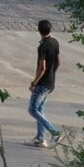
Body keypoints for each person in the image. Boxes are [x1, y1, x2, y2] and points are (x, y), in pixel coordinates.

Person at [28, 18, 62, 148]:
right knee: (40, 109)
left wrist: (34, 83)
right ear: (50, 29)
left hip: (42, 84)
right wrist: (52, 74)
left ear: (39, 31)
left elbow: (42, 67)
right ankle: (40, 139)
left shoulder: (43, 46)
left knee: (32, 110)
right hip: (51, 83)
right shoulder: (55, 42)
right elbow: (58, 62)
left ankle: (54, 131)